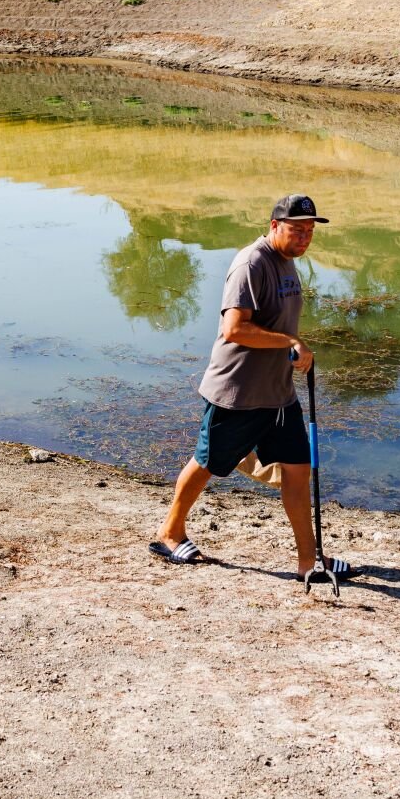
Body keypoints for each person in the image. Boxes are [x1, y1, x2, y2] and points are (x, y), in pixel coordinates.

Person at [150, 194, 356, 582]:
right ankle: (169, 533)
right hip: (238, 394)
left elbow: (276, 323)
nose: (305, 238)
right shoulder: (251, 263)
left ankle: (308, 562)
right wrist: (290, 343)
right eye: (298, 230)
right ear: (275, 225)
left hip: (278, 396)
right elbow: (235, 329)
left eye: (310, 231)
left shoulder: (287, 263)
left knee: (298, 471)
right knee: (208, 462)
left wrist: (291, 349)